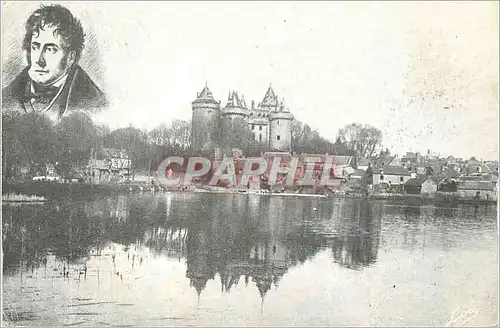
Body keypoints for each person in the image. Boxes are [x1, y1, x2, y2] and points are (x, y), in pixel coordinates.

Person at [2, 4, 107, 120]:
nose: (39, 60)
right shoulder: (6, 97)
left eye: (50, 49)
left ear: (70, 57)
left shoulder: (95, 104)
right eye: (35, 47)